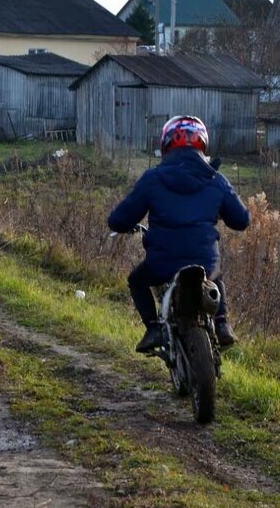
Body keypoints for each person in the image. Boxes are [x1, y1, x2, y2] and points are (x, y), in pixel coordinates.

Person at [107, 115, 250, 354]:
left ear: (166, 144)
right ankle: (223, 323)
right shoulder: (216, 180)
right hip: (205, 260)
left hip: (162, 263)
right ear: (202, 144)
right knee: (216, 275)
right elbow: (241, 220)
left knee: (137, 280)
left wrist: (122, 225)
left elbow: (119, 219)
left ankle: (153, 329)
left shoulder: (152, 179)